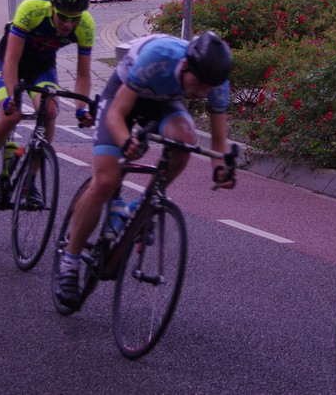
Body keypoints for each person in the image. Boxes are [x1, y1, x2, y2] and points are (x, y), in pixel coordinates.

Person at [53, 31, 237, 310]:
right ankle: (70, 260)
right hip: (123, 97)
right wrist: (126, 142)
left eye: (208, 88)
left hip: (163, 102)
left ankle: (142, 206)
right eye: (199, 84)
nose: (202, 92)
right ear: (185, 66)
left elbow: (219, 142)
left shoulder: (216, 83)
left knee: (185, 140)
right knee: (106, 181)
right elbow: (116, 115)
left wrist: (221, 169)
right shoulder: (158, 57)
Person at [0, 0, 97, 206]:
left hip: (42, 67)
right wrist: (11, 98)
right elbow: (11, 60)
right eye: (63, 17)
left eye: (74, 19)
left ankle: (30, 181)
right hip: (10, 62)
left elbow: (83, 74)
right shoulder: (31, 9)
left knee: (50, 111)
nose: (68, 24)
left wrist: (81, 109)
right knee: (11, 116)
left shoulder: (86, 24)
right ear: (52, 8)